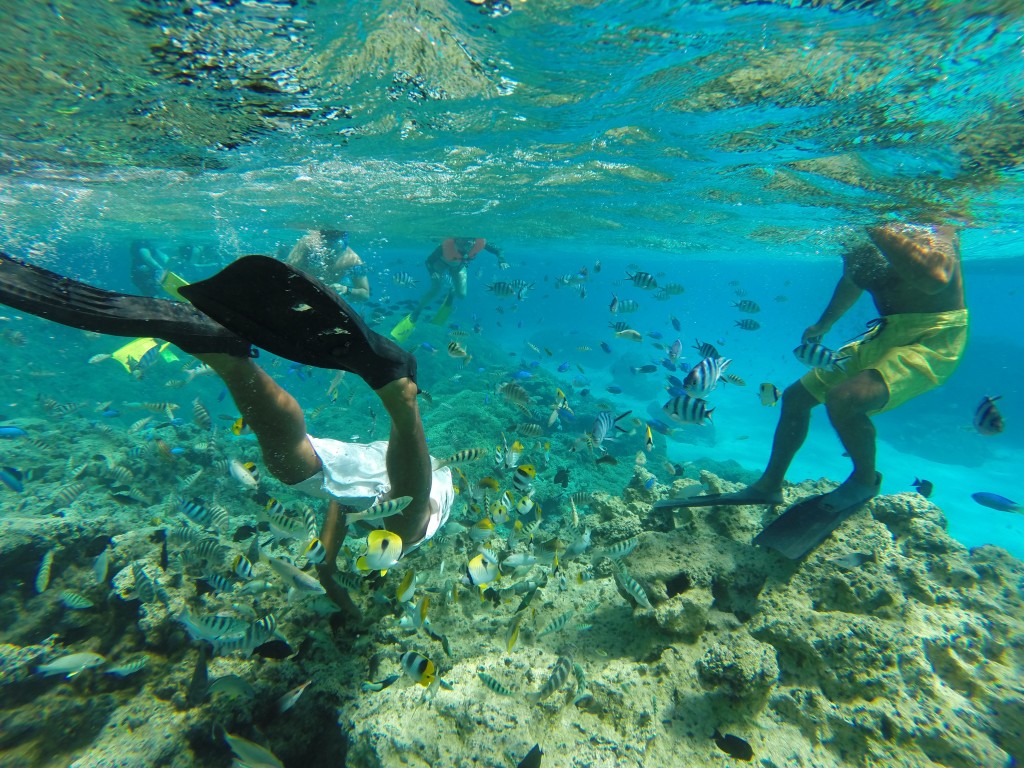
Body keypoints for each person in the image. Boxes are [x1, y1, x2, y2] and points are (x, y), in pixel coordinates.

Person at [0, 252, 453, 607]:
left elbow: (339, 504)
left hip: (379, 461)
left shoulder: (363, 507)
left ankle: (225, 355)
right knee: (406, 526)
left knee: (290, 467)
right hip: (428, 477)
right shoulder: (439, 496)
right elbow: (392, 514)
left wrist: (328, 567)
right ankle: (401, 397)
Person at [665, 221, 968, 558]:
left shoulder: (931, 224)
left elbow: (936, 275)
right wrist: (826, 323)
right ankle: (769, 485)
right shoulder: (861, 232)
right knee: (795, 398)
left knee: (845, 399)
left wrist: (875, 222)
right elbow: (854, 279)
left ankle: (865, 479)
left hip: (933, 334)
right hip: (886, 332)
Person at [392, 237, 507, 341]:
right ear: (457, 240)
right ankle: (416, 312)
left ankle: (451, 292)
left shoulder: (479, 242)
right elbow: (429, 260)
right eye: (463, 240)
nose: (467, 243)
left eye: (470, 241)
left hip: (459, 266)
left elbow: (498, 249)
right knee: (436, 289)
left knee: (461, 295)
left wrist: (501, 260)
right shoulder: (446, 246)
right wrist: (432, 272)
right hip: (440, 263)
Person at [287, 229, 371, 302]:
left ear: (343, 242)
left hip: (322, 299)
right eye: (327, 245)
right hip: (297, 290)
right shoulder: (307, 245)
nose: (330, 254)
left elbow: (365, 294)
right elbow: (287, 271)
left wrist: (346, 290)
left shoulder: (353, 260)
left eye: (336, 250)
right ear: (321, 238)